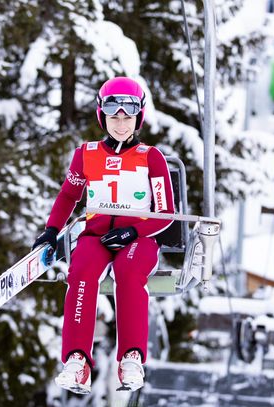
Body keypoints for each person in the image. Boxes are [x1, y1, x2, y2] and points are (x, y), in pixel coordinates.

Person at [32, 76, 175, 394]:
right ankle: (77, 361)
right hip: (95, 235)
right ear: (103, 116)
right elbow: (69, 196)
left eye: (127, 117)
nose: (120, 125)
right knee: (80, 271)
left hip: (138, 238)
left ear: (137, 118)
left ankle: (132, 358)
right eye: (114, 117)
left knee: (128, 272)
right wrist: (51, 230)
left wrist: (133, 231)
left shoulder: (151, 158)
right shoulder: (86, 154)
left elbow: (166, 213)